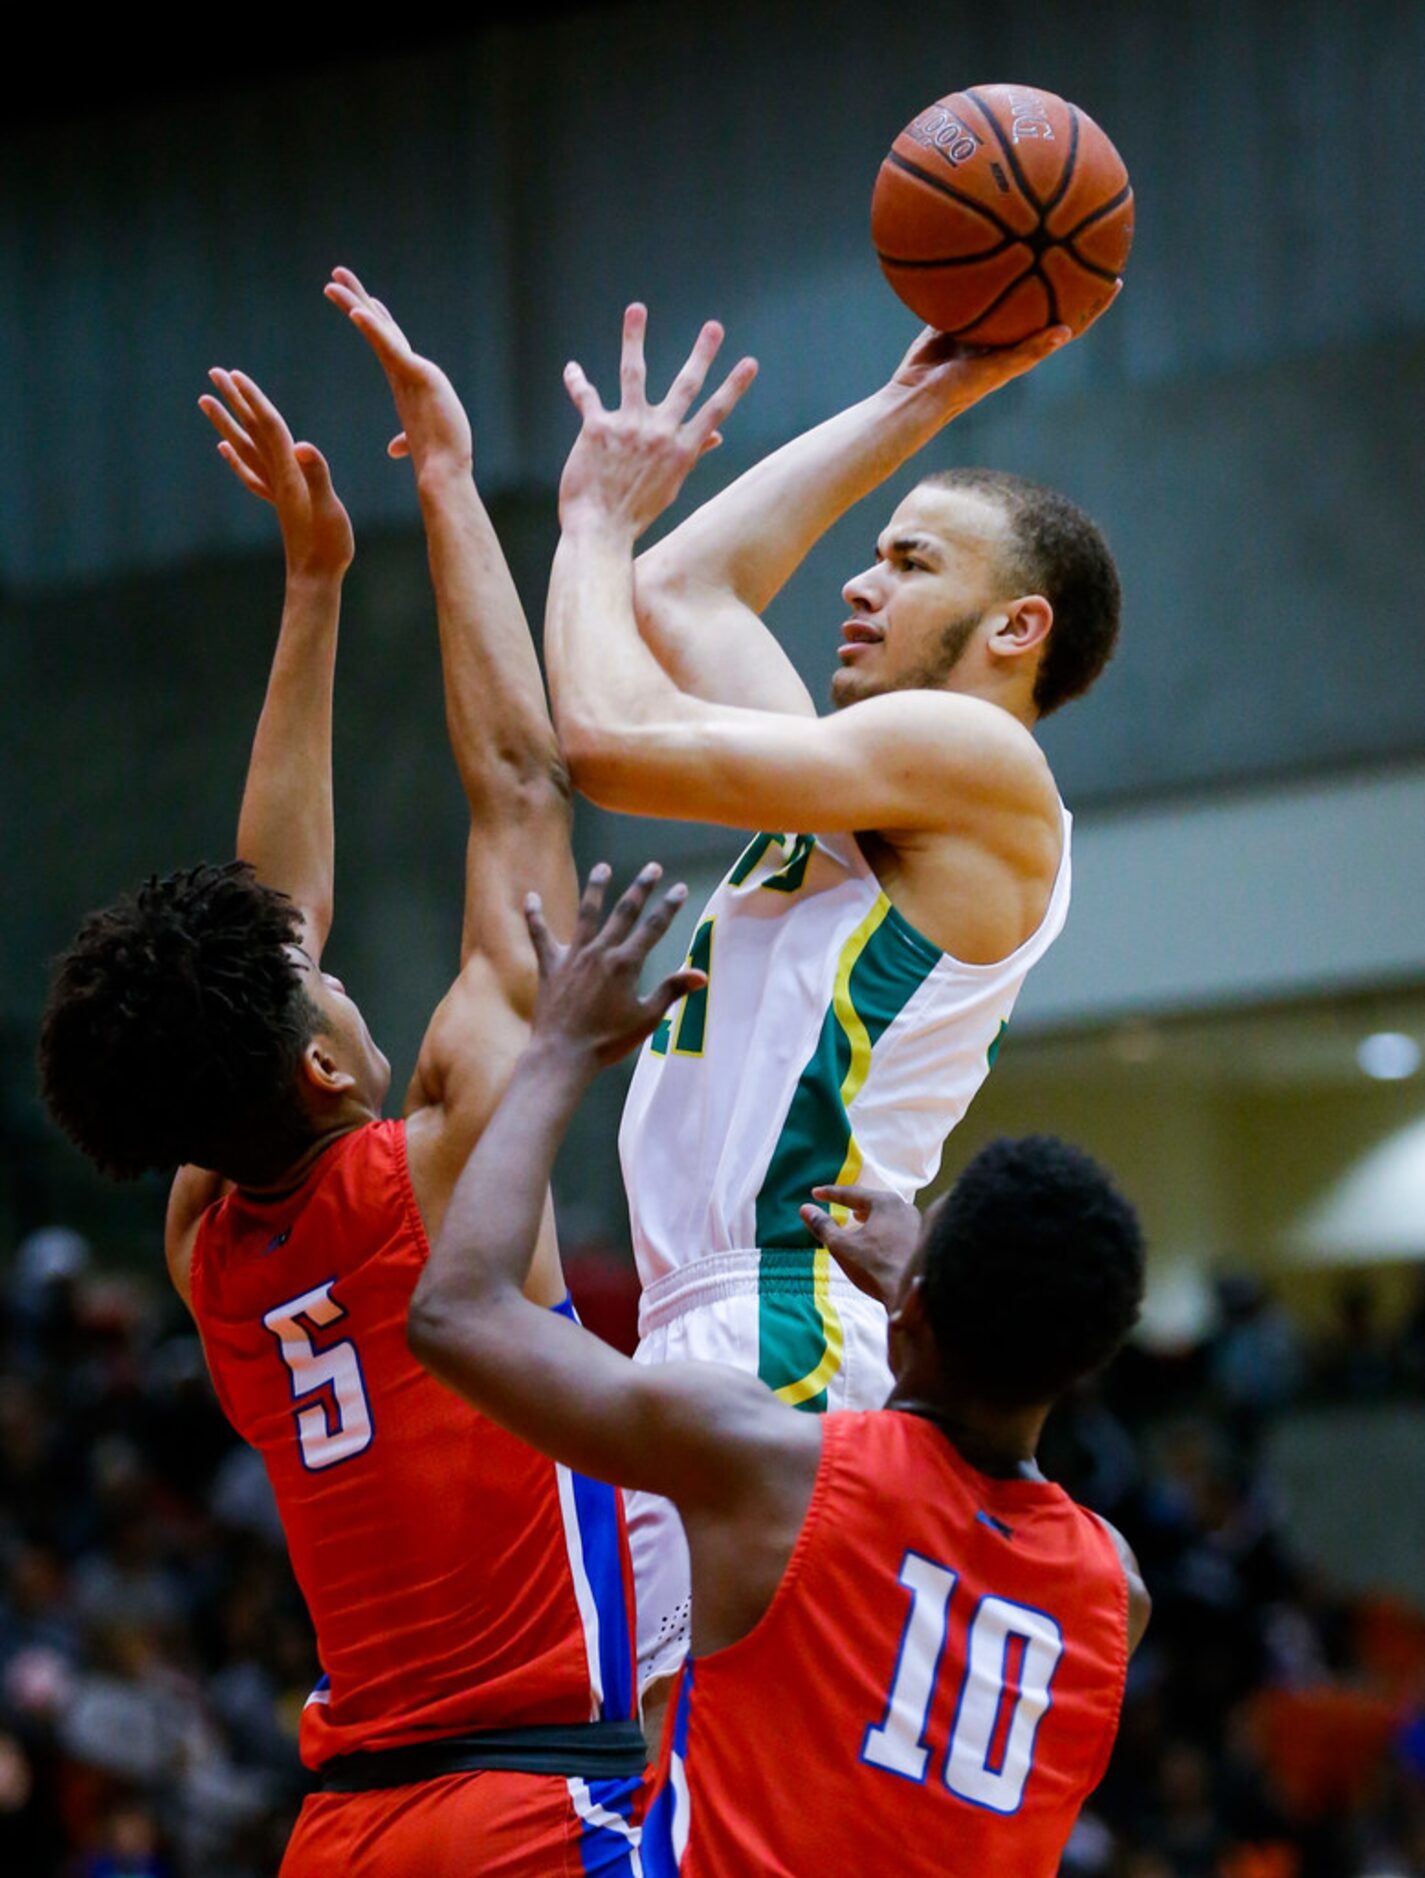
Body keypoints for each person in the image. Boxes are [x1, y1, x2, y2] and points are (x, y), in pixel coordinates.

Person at [37, 274, 646, 1874]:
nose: (337, 962)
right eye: (323, 981)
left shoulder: (207, 1247)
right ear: (320, 1063)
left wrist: (315, 591)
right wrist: (449, 476)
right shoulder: (442, 1171)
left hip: (347, 1835)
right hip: (527, 1804)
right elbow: (521, 788)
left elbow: (267, 920)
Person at [544, 298, 1124, 1693]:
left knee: (727, 1792)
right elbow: (683, 594)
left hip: (783, 1326)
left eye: (911, 563)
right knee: (682, 1796)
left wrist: (585, 525)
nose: (859, 584)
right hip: (716, 1322)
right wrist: (920, 397)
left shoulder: (980, 763)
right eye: (872, 553)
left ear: (1014, 626)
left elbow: (603, 735)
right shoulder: (866, 782)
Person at [406, 861, 1151, 1878]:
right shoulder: (1118, 1588)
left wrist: (557, 1052)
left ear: (913, 1311)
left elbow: (458, 1313)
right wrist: (921, 1302)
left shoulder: (771, 1470)